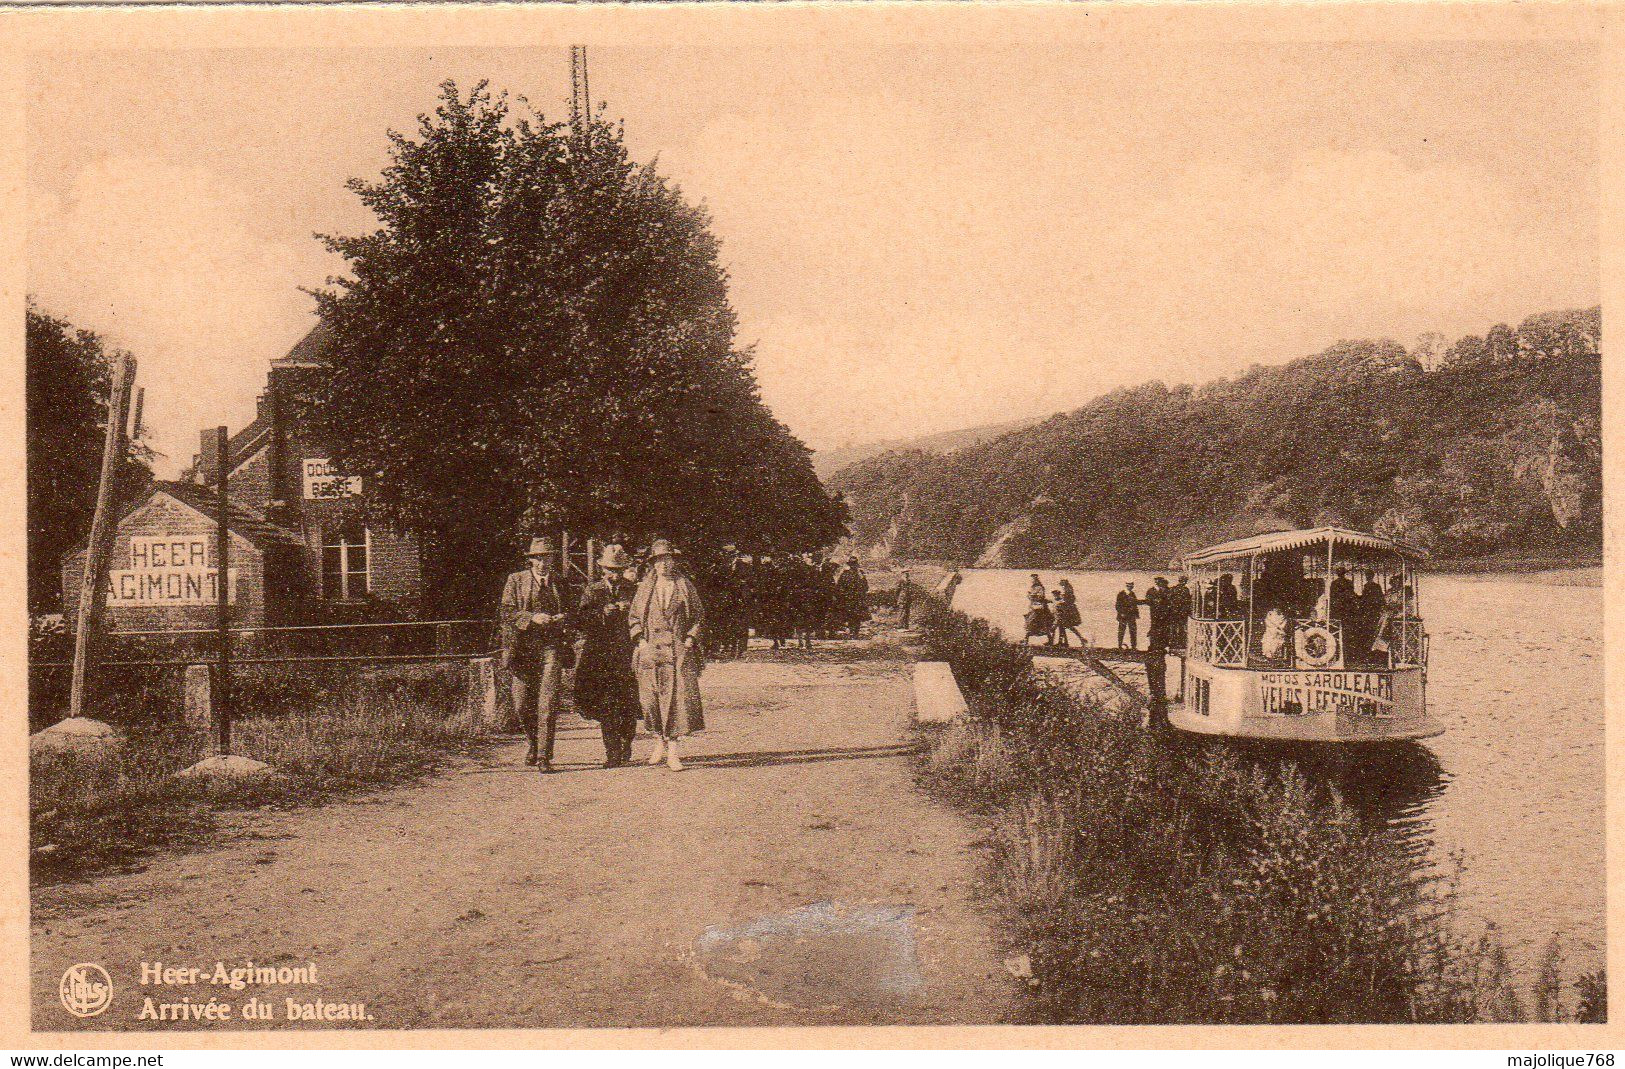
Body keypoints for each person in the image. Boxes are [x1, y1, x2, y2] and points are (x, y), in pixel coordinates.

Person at [630, 539, 706, 771]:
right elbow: (633, 618)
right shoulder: (644, 588)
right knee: (651, 700)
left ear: (674, 561)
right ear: (652, 564)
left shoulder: (685, 586)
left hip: (677, 651)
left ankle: (673, 751)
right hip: (651, 651)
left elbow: (699, 617)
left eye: (667, 559)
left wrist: (691, 639)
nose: (663, 565)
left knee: (676, 700)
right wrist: (641, 642)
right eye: (658, 561)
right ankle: (657, 743)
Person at [500, 537, 573, 772]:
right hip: (523, 649)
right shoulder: (516, 580)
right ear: (531, 560)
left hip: (551, 647)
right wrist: (531, 617)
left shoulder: (560, 582)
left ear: (552, 559)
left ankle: (544, 756)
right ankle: (533, 743)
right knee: (521, 704)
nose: (542, 563)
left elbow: (573, 611)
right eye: (538, 558)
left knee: (547, 702)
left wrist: (563, 618)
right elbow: (506, 612)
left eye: (547, 557)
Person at [573, 545, 641, 768]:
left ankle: (626, 740)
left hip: (627, 652)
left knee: (629, 702)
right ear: (602, 569)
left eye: (619, 570)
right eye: (611, 569)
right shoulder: (593, 590)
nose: (615, 574)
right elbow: (581, 618)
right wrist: (602, 612)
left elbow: (643, 615)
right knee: (607, 703)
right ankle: (612, 751)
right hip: (600, 654)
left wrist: (629, 610)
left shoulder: (633, 589)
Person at [837, 555, 870, 638]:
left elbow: (839, 587)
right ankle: (854, 632)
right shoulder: (859, 575)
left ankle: (853, 632)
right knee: (855, 616)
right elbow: (866, 587)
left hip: (850, 598)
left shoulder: (846, 574)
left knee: (852, 615)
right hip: (855, 598)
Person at [1143, 576, 1171, 652]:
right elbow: (1147, 601)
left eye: (1159, 581)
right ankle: (1153, 645)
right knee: (1154, 628)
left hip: (1165, 613)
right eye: (1156, 581)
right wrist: (1155, 601)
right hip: (1154, 613)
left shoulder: (1167, 590)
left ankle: (1163, 645)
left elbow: (1169, 601)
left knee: (1164, 629)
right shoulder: (1151, 591)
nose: (1158, 583)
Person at [1053, 579, 1084, 648]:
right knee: (1062, 626)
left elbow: (1067, 600)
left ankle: (1081, 639)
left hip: (1066, 611)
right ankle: (1063, 642)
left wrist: (1060, 602)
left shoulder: (1067, 589)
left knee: (1067, 626)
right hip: (1066, 610)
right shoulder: (1068, 589)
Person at [1167, 575, 1193, 651]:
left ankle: (1174, 643)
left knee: (1175, 628)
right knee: (1179, 628)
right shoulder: (1184, 590)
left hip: (1176, 612)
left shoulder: (1174, 589)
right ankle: (1179, 643)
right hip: (1180, 612)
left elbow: (1169, 599)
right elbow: (1187, 601)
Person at [1115, 581, 1140, 650]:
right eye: (1129, 585)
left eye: (1132, 585)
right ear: (1126, 585)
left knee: (1133, 631)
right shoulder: (1121, 594)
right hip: (1123, 616)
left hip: (1131, 616)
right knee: (1121, 631)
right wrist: (1121, 613)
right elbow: (1117, 606)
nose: (1130, 587)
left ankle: (1134, 647)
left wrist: (1136, 614)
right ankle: (1119, 646)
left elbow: (1135, 605)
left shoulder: (1132, 594)